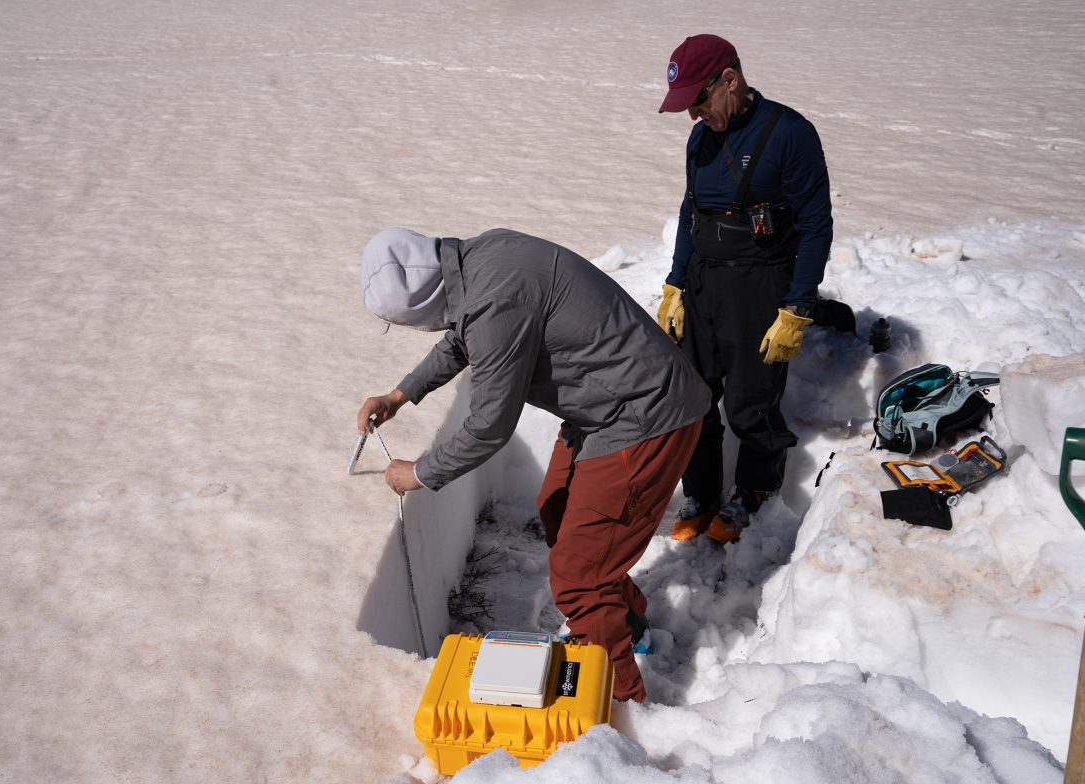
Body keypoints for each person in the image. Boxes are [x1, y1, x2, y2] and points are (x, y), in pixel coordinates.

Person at [356, 226, 710, 703]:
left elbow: (488, 426)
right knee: (558, 512)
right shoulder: (481, 258)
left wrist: (419, 473)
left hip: (643, 416)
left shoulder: (493, 302)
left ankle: (623, 703)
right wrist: (400, 395)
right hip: (607, 403)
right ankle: (623, 626)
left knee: (577, 578)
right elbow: (465, 339)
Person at [655, 34, 833, 543]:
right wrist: (676, 283)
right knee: (692, 396)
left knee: (751, 404)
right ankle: (702, 493)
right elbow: (693, 212)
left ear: (729, 80)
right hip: (703, 282)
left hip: (759, 285)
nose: (693, 115)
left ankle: (754, 491)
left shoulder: (788, 134)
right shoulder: (702, 138)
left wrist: (797, 307)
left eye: (699, 100)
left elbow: (816, 225)